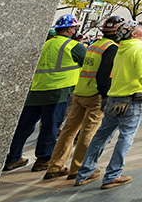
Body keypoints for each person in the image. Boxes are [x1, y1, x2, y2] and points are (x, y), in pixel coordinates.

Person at [74, 20, 142, 189]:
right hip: (132, 99)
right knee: (126, 136)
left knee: (101, 135)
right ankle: (113, 175)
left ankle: (84, 172)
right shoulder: (141, 49)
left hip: (114, 98)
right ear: (134, 34)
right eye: (138, 27)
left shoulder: (121, 49)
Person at [43, 16, 125, 180]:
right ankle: (78, 169)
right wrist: (105, 95)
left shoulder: (96, 44)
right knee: (88, 133)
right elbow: (103, 75)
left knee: (68, 131)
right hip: (95, 95)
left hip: (80, 91)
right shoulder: (112, 48)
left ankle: (55, 166)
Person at [4, 14, 87, 172]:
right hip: (57, 91)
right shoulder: (74, 46)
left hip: (36, 89)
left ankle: (13, 158)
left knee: (24, 127)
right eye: (75, 27)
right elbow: (88, 65)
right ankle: (43, 159)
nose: (76, 30)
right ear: (69, 29)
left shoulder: (46, 44)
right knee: (50, 127)